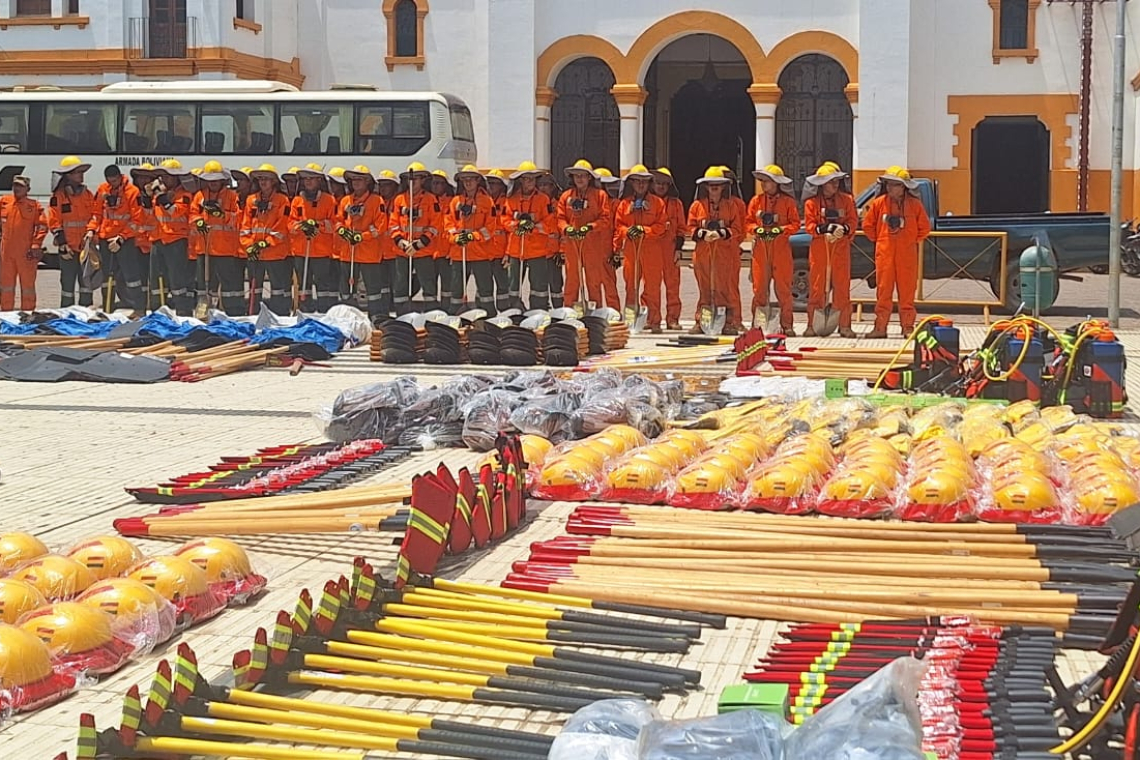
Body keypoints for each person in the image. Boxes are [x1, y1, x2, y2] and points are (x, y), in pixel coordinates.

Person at [862, 166, 931, 338]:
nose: (890, 187)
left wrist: (908, 240)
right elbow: (868, 226)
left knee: (907, 293)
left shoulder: (915, 205)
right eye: (889, 184)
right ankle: (880, 327)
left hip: (907, 255)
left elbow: (924, 228)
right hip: (885, 254)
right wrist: (881, 240)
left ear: (903, 187)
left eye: (894, 184)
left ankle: (907, 327)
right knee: (883, 292)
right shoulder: (879, 203)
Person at [688, 166, 746, 335]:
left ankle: (728, 322)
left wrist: (721, 233)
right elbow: (689, 227)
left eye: (718, 184)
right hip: (702, 253)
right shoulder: (696, 206)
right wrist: (702, 234)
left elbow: (738, 229)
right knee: (704, 289)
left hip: (724, 254)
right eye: (711, 184)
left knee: (723, 289)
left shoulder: (731, 206)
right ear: (706, 186)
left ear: (723, 187)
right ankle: (701, 322)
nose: (714, 187)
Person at [803, 163, 858, 338]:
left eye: (836, 181)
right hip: (820, 248)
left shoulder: (847, 200)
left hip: (841, 248)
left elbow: (853, 221)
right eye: (830, 182)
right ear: (821, 184)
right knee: (817, 287)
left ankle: (844, 325)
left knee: (842, 288)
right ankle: (812, 325)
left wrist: (845, 230)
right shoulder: (811, 203)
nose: (835, 184)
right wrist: (823, 230)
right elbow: (810, 225)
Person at [613, 165, 668, 331]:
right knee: (631, 285)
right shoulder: (624, 204)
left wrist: (645, 230)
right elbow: (618, 225)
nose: (641, 184)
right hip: (631, 248)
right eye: (637, 181)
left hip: (651, 248)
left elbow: (662, 226)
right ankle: (632, 319)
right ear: (631, 183)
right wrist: (627, 231)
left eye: (644, 181)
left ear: (649, 183)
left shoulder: (657, 203)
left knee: (653, 286)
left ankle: (654, 320)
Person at [746, 164, 800, 335]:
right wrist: (756, 229)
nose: (763, 184)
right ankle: (758, 324)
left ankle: (787, 325)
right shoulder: (756, 201)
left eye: (767, 181)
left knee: (783, 289)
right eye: (762, 180)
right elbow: (748, 222)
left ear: (776, 183)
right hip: (761, 249)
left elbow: (795, 224)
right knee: (759, 289)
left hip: (781, 249)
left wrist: (780, 230)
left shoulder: (788, 202)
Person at [557, 159, 617, 311]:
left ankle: (595, 312)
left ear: (589, 177)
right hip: (572, 244)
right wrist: (566, 229)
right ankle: (569, 311)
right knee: (572, 280)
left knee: (593, 281)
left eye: (583, 175)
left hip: (593, 244)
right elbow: (560, 218)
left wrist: (590, 227)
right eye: (576, 175)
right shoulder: (565, 196)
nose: (579, 178)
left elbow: (605, 218)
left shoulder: (600, 195)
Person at [87, 165, 144, 314]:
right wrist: (91, 230)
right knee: (107, 277)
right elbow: (96, 213)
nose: (112, 184)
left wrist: (121, 238)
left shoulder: (132, 192)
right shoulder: (102, 189)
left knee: (131, 276)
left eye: (114, 181)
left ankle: (139, 309)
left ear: (120, 177)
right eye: (109, 181)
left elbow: (137, 220)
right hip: (106, 239)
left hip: (125, 241)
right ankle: (107, 309)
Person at [335, 165, 388, 321]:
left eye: (360, 179)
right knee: (346, 288)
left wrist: (361, 236)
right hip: (348, 252)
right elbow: (338, 220)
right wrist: (342, 231)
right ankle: (347, 318)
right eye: (353, 179)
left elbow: (380, 226)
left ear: (367, 182)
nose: (356, 182)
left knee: (373, 290)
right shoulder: (346, 200)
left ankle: (375, 318)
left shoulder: (376, 201)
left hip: (369, 253)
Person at [503, 161, 558, 311]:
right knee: (513, 284)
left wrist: (532, 227)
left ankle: (538, 309)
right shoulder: (511, 199)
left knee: (539, 285)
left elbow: (549, 222)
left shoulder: (543, 199)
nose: (529, 182)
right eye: (526, 179)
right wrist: (517, 225)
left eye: (532, 179)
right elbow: (504, 220)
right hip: (516, 249)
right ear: (520, 180)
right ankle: (514, 309)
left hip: (537, 250)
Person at [389, 161, 442, 313]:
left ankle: (431, 313)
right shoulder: (399, 199)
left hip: (423, 251)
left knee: (428, 283)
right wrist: (401, 241)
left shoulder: (431, 199)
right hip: (403, 250)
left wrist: (420, 243)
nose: (412, 182)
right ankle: (401, 313)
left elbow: (435, 225)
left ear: (423, 180)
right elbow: (393, 224)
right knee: (401, 284)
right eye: (409, 179)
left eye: (416, 179)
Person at [240, 164, 293, 315]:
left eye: (267, 179)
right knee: (254, 288)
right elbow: (245, 226)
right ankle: (253, 314)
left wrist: (266, 242)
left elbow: (282, 227)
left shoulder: (282, 200)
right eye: (260, 178)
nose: (263, 182)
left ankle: (279, 315)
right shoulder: (251, 200)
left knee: (277, 288)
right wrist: (249, 246)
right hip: (254, 253)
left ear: (274, 182)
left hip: (275, 252)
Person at [446, 165, 498, 314]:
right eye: (464, 179)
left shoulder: (487, 202)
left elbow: (490, 228)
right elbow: (448, 225)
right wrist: (456, 238)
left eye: (471, 179)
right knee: (456, 289)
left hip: (480, 253)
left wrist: (471, 236)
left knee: (485, 289)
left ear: (477, 181)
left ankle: (488, 315)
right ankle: (455, 315)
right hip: (459, 253)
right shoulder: (455, 202)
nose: (468, 182)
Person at [47, 156, 96, 308]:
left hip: (85, 248)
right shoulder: (58, 197)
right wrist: (62, 243)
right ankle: (67, 312)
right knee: (67, 285)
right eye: (77, 172)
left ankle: (86, 312)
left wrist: (91, 232)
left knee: (86, 283)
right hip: (68, 249)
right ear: (68, 175)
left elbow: (95, 216)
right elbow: (54, 220)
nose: (81, 175)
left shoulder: (87, 194)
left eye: (82, 172)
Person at [148, 159, 195, 315]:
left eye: (168, 176)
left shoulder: (184, 195)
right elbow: (149, 214)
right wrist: (150, 196)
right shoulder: (158, 194)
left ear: (176, 178)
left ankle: (183, 311)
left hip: (176, 241)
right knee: (156, 278)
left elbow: (174, 212)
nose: (165, 179)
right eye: (163, 176)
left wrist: (163, 198)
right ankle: (157, 311)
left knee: (177, 279)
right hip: (158, 239)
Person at [290, 164, 340, 313]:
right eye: (306, 178)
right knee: (303, 284)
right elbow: (290, 224)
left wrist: (317, 225)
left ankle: (324, 311)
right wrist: (302, 226)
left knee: (323, 285)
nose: (308, 181)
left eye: (312, 178)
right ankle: (305, 310)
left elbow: (334, 224)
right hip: (301, 250)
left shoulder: (329, 200)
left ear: (319, 180)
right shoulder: (297, 201)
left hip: (322, 251)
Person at [0, 176, 47, 311]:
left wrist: (36, 244)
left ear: (28, 189)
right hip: (6, 253)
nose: (17, 188)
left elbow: (42, 226)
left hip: (27, 254)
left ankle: (27, 312)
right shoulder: (4, 202)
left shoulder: (34, 206)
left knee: (27, 287)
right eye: (15, 185)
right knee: (6, 286)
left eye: (20, 186)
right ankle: (6, 313)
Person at [651, 167, 686, 329]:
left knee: (673, 285)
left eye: (664, 183)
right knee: (651, 286)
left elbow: (681, 228)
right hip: (652, 248)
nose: (661, 186)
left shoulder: (676, 204)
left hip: (670, 249)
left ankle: (673, 319)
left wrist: (679, 249)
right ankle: (652, 318)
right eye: (658, 183)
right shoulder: (648, 202)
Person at [129, 163, 160, 310]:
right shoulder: (133, 194)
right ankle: (140, 307)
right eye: (141, 177)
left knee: (156, 279)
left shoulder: (158, 195)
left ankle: (155, 306)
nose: (144, 181)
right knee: (139, 278)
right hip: (137, 242)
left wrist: (150, 197)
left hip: (154, 242)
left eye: (148, 178)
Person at [484, 169, 513, 312]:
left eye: (495, 183)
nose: (491, 186)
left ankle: (504, 309)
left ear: (502, 186)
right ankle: (485, 310)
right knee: (483, 283)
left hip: (501, 252)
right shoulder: (483, 201)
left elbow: (510, 231)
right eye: (489, 183)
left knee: (503, 284)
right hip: (484, 251)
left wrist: (508, 253)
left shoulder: (507, 202)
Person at [374, 169, 401, 316]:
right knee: (382, 284)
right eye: (381, 185)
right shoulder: (377, 202)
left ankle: (397, 310)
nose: (383, 188)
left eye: (387, 185)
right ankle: (384, 310)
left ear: (394, 186)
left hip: (395, 250)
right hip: (379, 251)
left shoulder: (398, 202)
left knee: (397, 283)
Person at [537, 171, 565, 308]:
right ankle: (543, 307)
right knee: (539, 283)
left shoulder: (559, 205)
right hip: (538, 251)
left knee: (556, 283)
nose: (542, 188)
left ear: (553, 187)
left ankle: (558, 307)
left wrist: (562, 251)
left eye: (546, 185)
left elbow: (563, 229)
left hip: (554, 253)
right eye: (540, 185)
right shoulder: (536, 204)